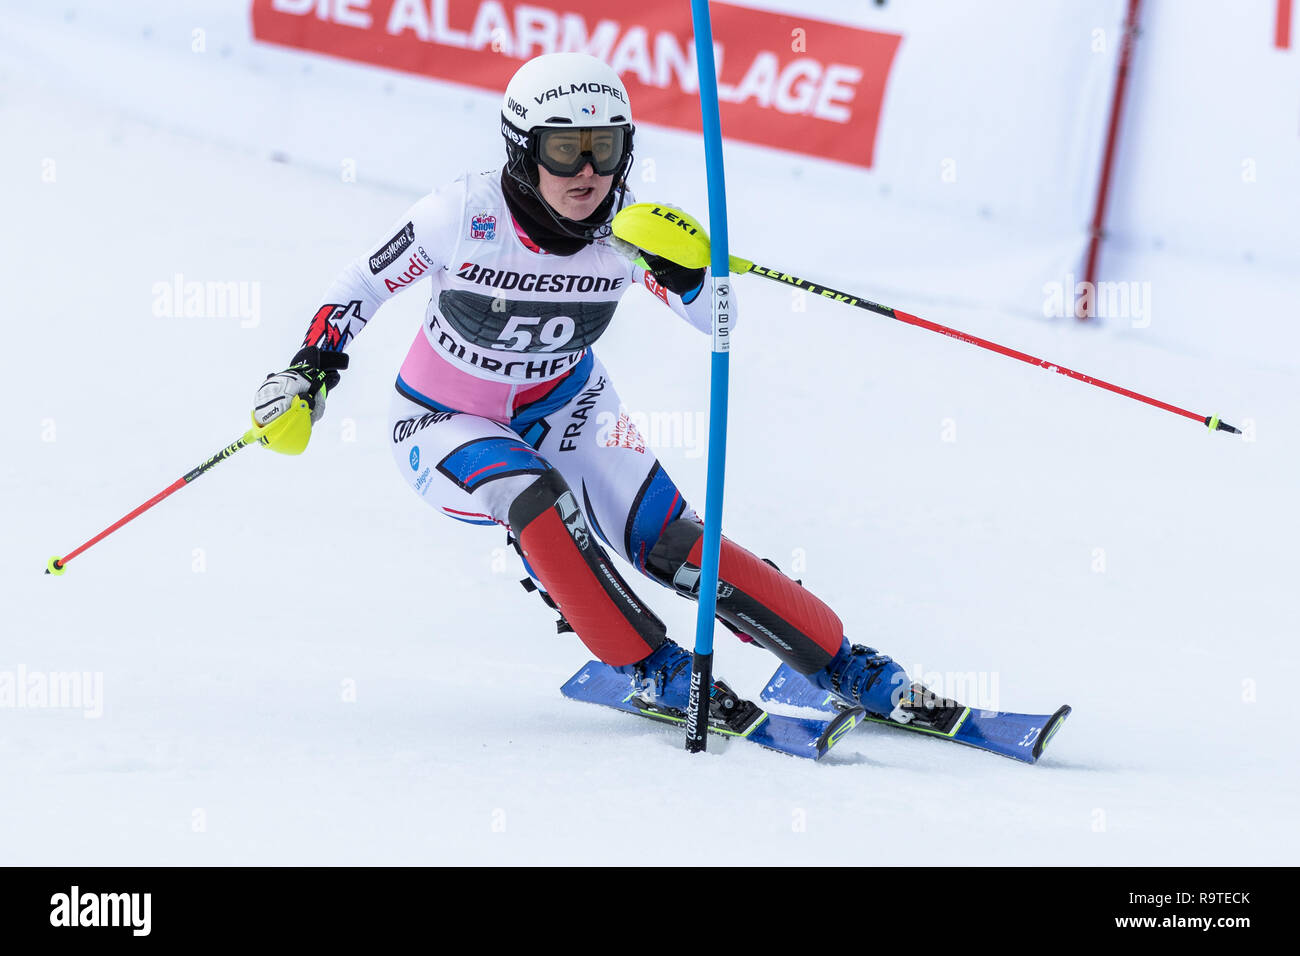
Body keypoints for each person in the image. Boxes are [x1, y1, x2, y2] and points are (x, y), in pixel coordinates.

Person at [251, 52, 958, 732]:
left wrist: (686, 273)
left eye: (606, 148)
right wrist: (307, 369)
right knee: (535, 500)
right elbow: (363, 284)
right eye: (564, 150)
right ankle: (654, 666)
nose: (588, 171)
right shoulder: (461, 215)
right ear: (523, 150)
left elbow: (718, 319)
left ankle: (845, 664)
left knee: (671, 541)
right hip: (442, 419)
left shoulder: (627, 234)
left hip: (572, 405)